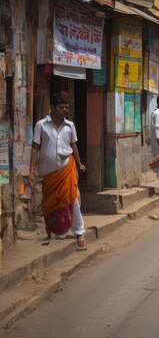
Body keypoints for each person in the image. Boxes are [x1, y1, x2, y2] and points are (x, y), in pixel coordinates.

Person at [29, 94, 87, 247]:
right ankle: (50, 231)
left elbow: (73, 145)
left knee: (72, 200)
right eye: (61, 108)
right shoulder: (41, 125)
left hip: (66, 169)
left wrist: (79, 163)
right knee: (48, 203)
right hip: (48, 173)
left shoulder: (70, 126)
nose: (65, 111)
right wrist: (31, 169)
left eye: (67, 108)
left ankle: (80, 233)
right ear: (53, 107)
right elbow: (35, 147)